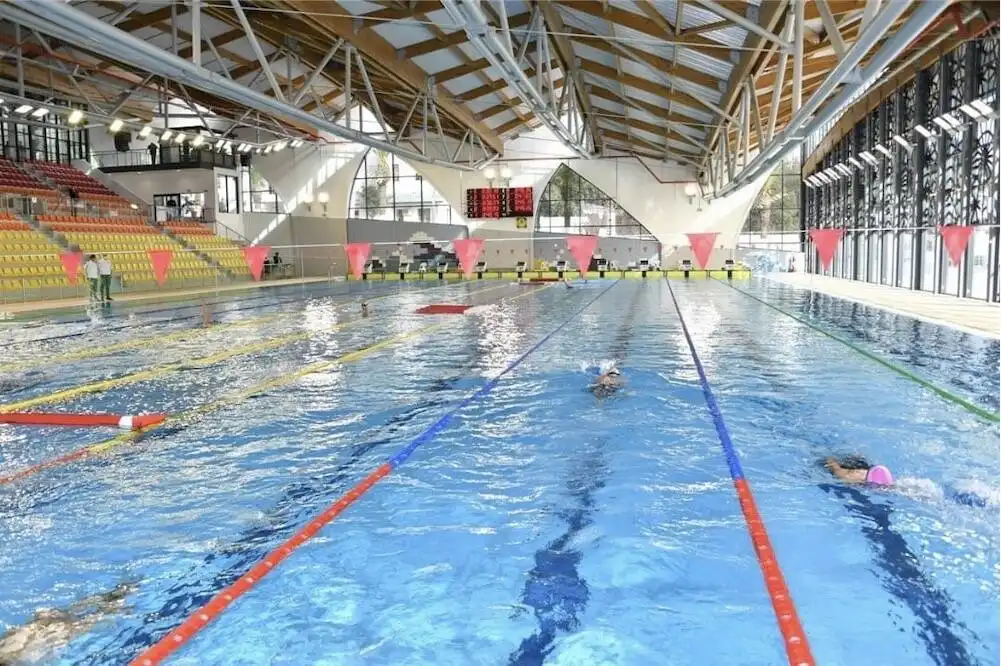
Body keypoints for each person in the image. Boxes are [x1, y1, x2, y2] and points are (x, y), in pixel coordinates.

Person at [0, 582, 137, 663]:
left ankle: (120, 600)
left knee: (89, 621)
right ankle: (119, 593)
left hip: (50, 634)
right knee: (74, 612)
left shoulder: (15, 657)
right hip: (37, 625)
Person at [824, 456, 893, 486]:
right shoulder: (851, 477)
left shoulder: (885, 484)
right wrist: (830, 460)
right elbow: (835, 469)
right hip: (856, 474)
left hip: (868, 473)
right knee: (835, 469)